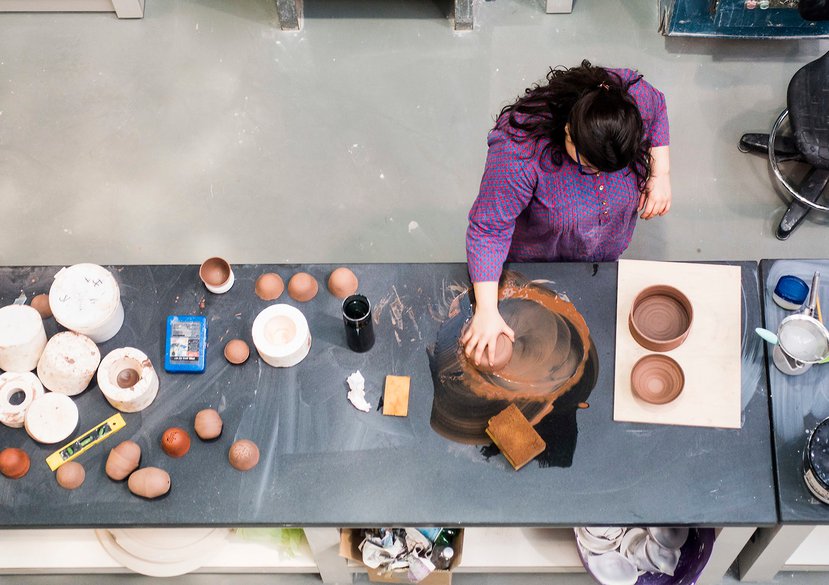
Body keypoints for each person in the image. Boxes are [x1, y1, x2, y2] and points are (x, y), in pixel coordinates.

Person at [462, 60, 671, 367]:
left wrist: (659, 173)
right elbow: (489, 229)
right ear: (569, 132)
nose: (595, 174)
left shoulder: (625, 99)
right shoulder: (520, 151)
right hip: (540, 257)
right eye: (588, 165)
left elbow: (658, 106)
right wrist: (487, 311)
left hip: (601, 253)